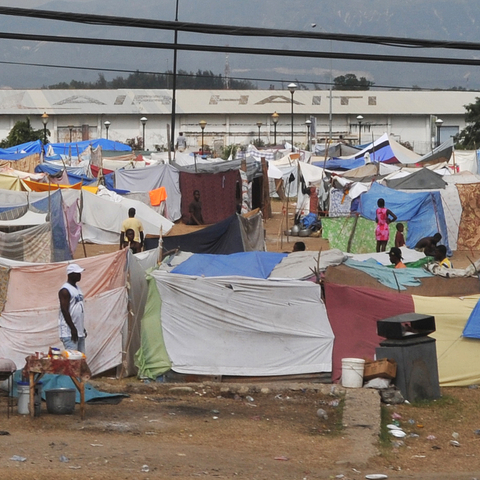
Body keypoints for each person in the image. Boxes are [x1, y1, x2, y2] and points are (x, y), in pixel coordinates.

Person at [58, 263, 86, 353]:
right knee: (73, 361)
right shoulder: (65, 290)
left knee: (81, 360)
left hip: (79, 331)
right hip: (70, 333)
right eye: (77, 273)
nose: (79, 275)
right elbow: (64, 310)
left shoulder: (77, 288)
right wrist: (73, 328)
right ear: (71, 274)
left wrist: (81, 328)